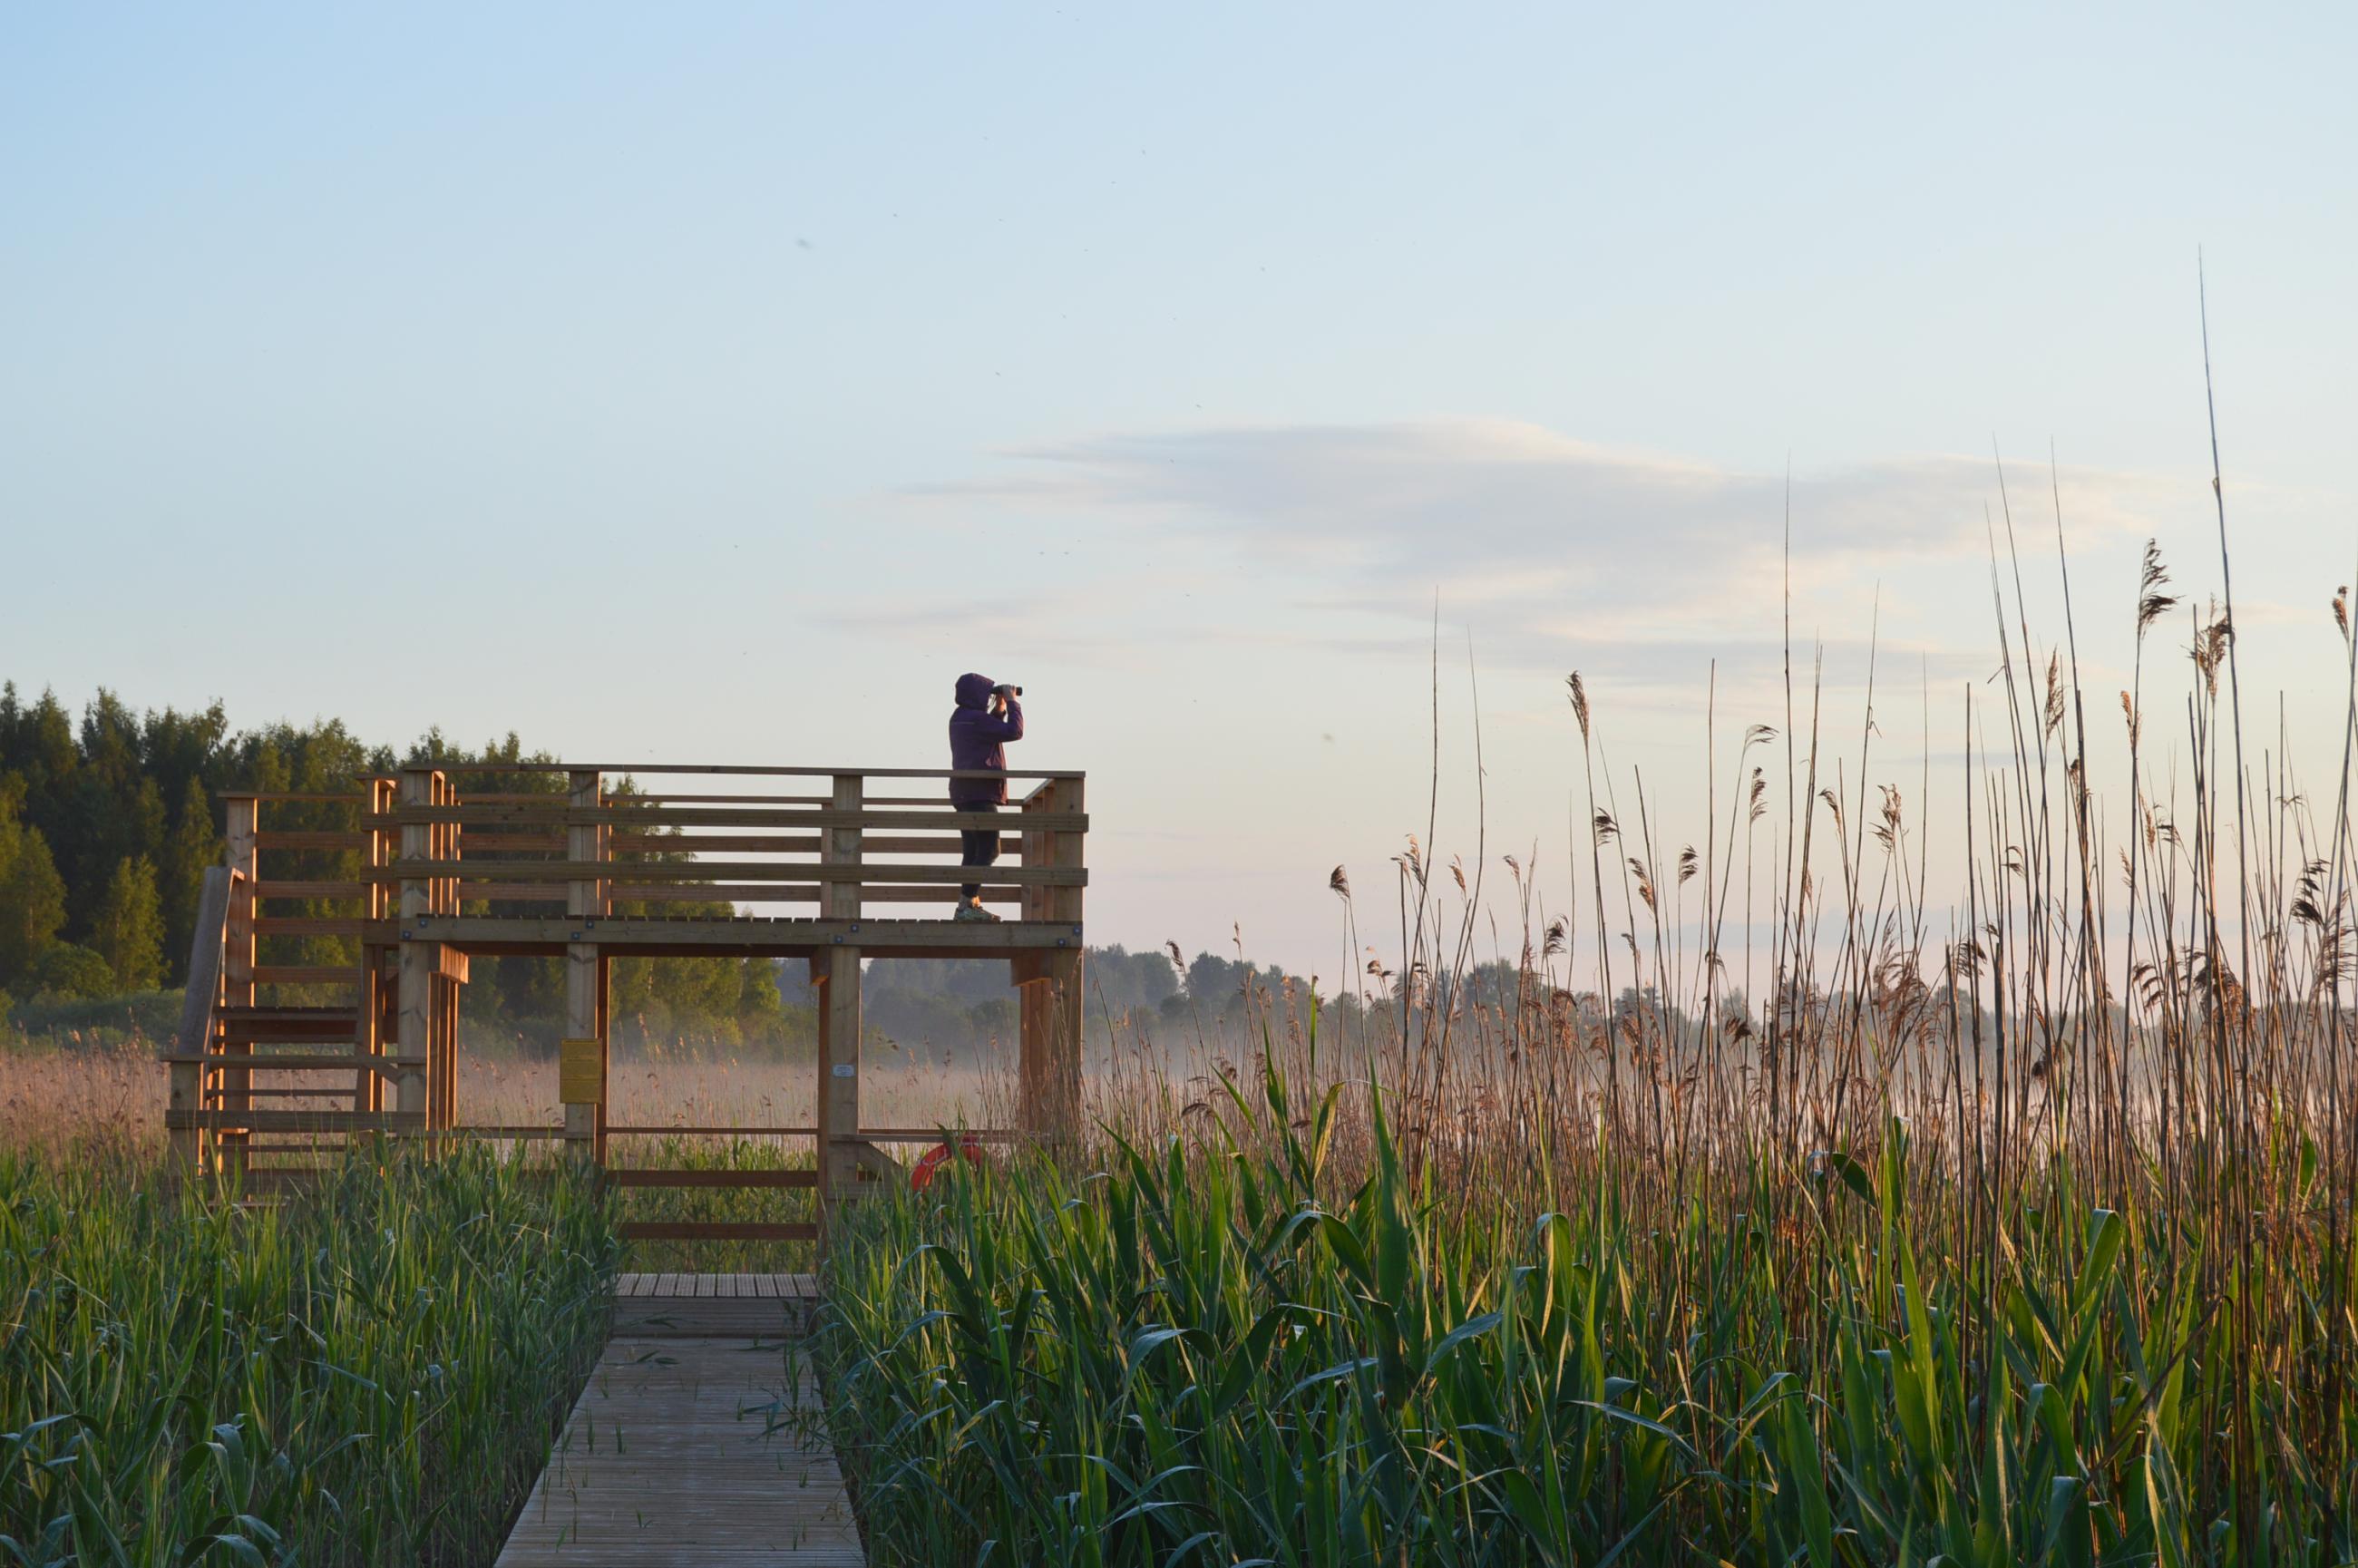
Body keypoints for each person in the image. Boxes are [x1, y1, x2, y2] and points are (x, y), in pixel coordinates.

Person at [947, 673, 1023, 921]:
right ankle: (967, 905)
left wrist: (998, 709)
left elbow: (983, 735)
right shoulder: (976, 720)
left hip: (962, 793)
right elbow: (1015, 731)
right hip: (980, 792)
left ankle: (967, 905)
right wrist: (1012, 702)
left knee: (972, 850)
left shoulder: (960, 718)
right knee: (990, 849)